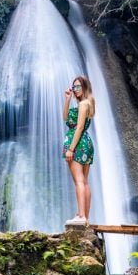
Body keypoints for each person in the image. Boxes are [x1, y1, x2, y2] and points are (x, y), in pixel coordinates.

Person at [63, 75, 95, 225]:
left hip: (78, 143)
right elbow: (65, 119)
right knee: (85, 181)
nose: (75, 90)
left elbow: (79, 127)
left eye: (78, 87)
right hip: (86, 143)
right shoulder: (88, 103)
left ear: (84, 87)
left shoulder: (83, 105)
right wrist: (68, 99)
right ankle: (85, 217)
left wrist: (70, 149)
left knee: (79, 181)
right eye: (74, 87)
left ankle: (81, 215)